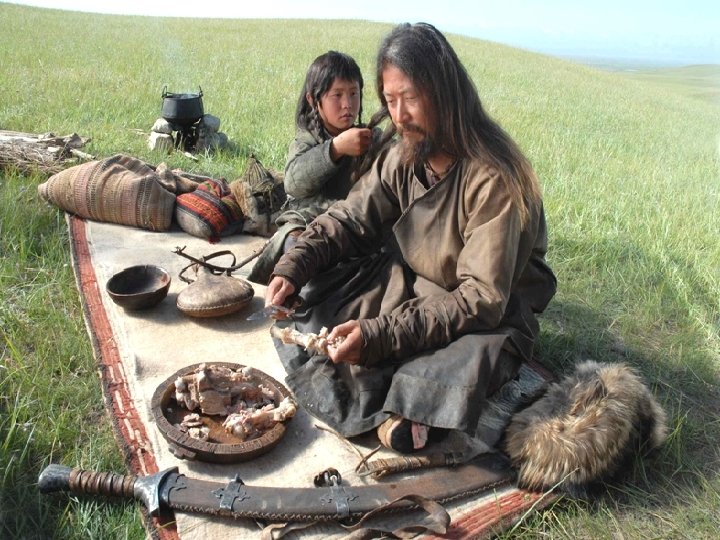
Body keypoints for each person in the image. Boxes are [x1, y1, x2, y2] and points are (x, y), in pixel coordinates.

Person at [265, 23, 557, 455]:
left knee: (464, 362)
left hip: (484, 310)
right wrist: (296, 264)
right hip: (413, 285)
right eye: (390, 100)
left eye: (411, 98)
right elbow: (350, 218)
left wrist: (380, 335)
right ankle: (399, 396)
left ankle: (413, 408)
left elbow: (481, 297)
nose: (399, 116)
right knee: (315, 295)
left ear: (444, 94)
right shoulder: (404, 152)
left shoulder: (493, 178)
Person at [248, 50, 374, 284]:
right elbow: (294, 183)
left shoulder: (368, 137)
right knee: (295, 245)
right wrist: (335, 148)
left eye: (354, 93)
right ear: (313, 100)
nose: (347, 104)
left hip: (350, 225)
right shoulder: (306, 140)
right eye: (337, 95)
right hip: (308, 222)